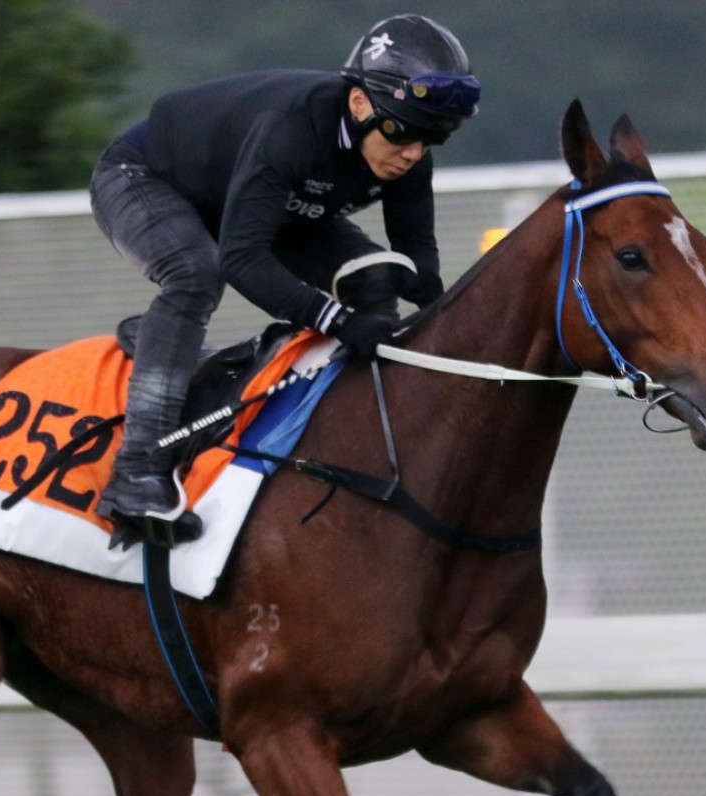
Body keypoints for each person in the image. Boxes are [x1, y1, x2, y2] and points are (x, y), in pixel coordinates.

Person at [89, 14, 481, 547]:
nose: (412, 151)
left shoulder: (410, 154)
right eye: (401, 130)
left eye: (435, 136)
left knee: (375, 279)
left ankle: (355, 440)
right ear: (360, 103)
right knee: (195, 275)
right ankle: (135, 475)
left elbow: (419, 263)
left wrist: (430, 313)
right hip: (146, 179)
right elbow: (242, 259)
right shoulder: (290, 128)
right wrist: (335, 320)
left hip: (268, 203)